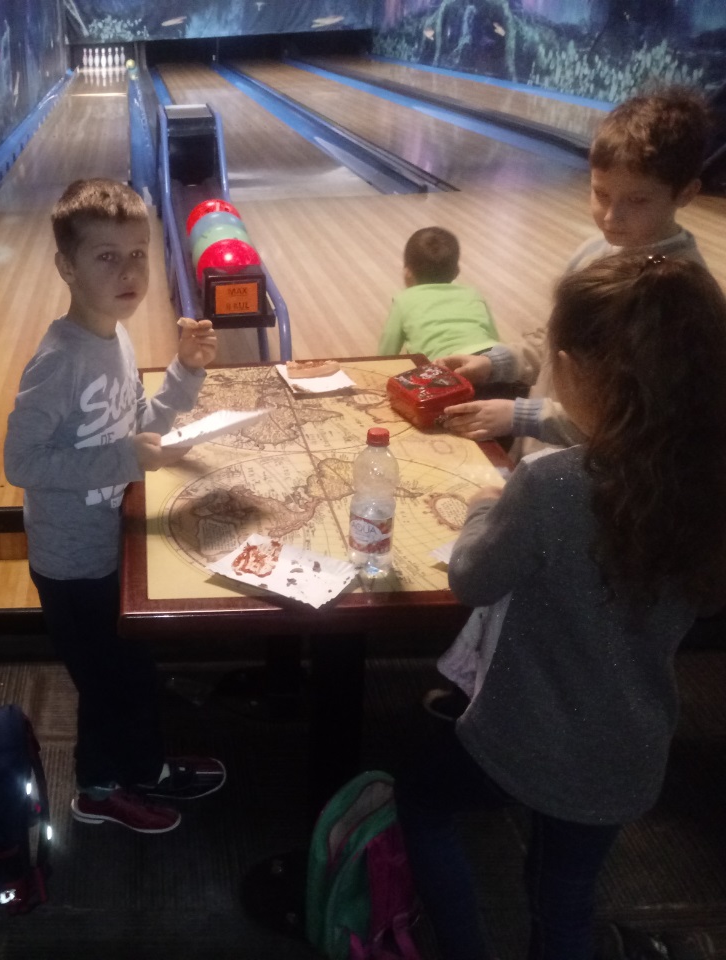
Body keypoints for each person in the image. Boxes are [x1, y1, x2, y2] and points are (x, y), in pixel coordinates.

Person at [393, 254, 726, 960]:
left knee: (421, 801)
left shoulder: (551, 485)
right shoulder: (707, 485)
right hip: (629, 749)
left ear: (570, 371)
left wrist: (485, 509)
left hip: (523, 737)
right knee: (564, 900)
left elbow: (471, 578)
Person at [4, 178, 225, 834]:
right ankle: (98, 790)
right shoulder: (59, 361)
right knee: (107, 685)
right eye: (107, 257)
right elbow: (22, 463)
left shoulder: (116, 338)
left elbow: (137, 430)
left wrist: (184, 373)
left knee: (133, 671)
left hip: (111, 540)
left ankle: (145, 766)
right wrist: (125, 459)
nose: (129, 272)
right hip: (73, 562)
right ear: (66, 267)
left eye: (138, 255)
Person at [439, 88, 710, 450]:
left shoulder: (676, 294)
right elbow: (557, 339)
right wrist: (494, 364)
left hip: (593, 474)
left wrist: (522, 416)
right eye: (601, 194)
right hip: (543, 453)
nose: (611, 217)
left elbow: (633, 420)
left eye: (637, 200)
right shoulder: (595, 250)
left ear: (686, 194)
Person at [376, 226, 500, 361]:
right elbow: (494, 337)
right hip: (488, 359)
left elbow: (386, 354)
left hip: (445, 366)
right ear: (457, 272)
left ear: (407, 272)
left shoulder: (403, 300)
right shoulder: (473, 294)